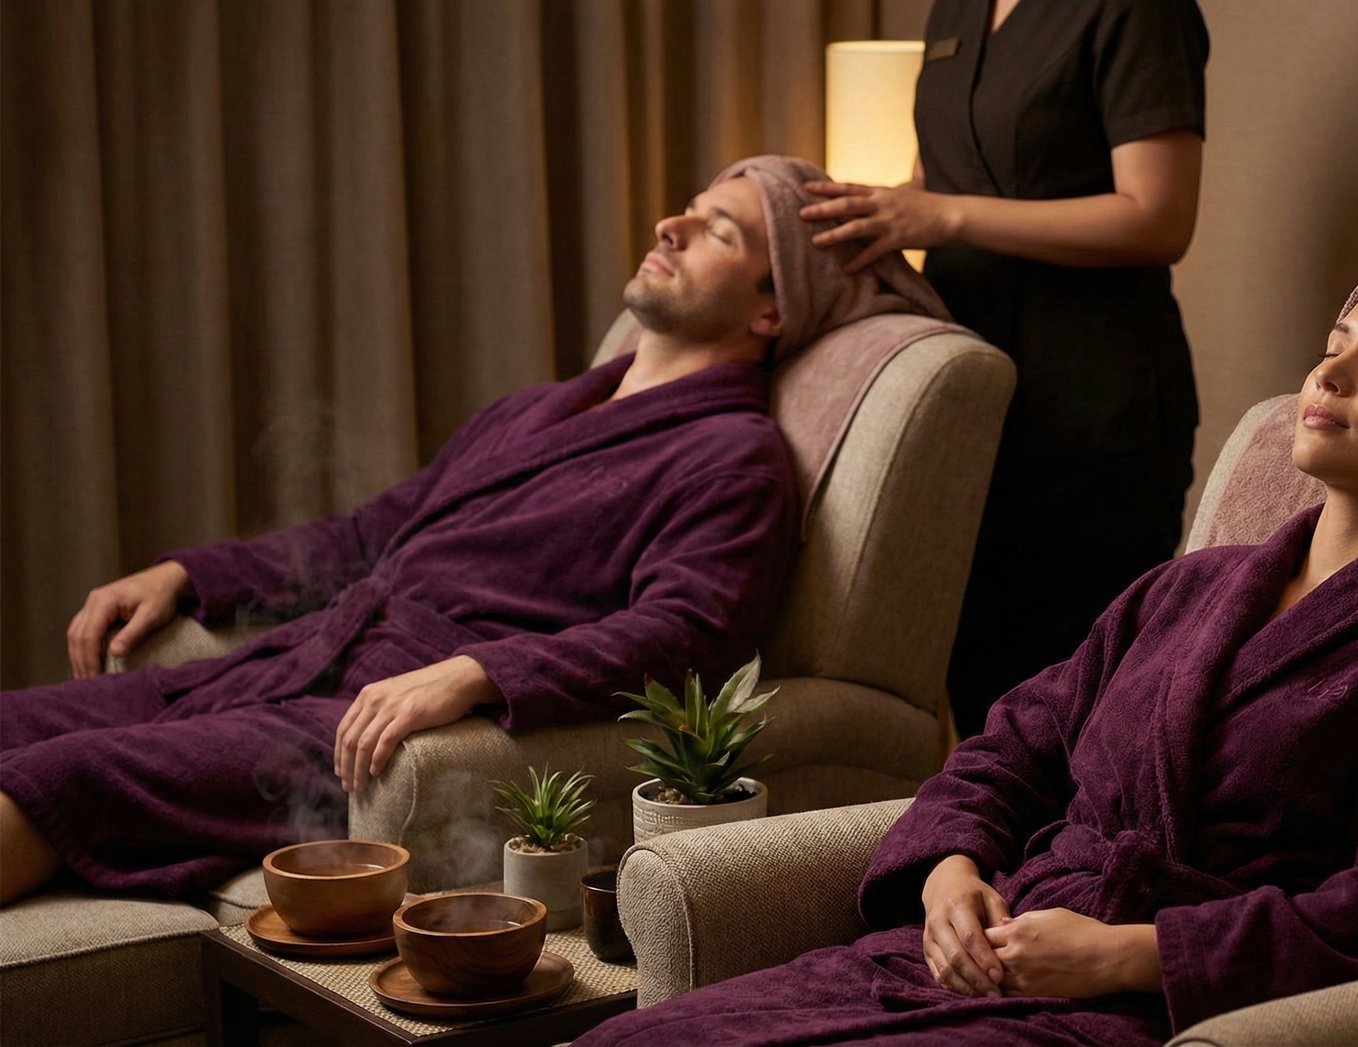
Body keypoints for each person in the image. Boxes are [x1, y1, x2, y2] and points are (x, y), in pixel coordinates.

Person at [572, 251, 1358, 1047]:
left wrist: (1132, 954)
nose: (1331, 375)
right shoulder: (1188, 587)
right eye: (1331, 348)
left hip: (1145, 1005)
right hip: (978, 952)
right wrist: (950, 875)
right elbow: (1013, 741)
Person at [0, 156, 948, 906]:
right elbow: (371, 532)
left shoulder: (733, 459)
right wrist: (186, 573)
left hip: (365, 718)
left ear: (773, 307)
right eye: (690, 210)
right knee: (18, 721)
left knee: (62, 775)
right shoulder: (538, 409)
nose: (672, 224)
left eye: (719, 231)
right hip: (298, 658)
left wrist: (479, 672)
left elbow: (687, 635)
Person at [797, 0, 1209, 737]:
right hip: (967, 405)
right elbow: (932, 177)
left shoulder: (1135, 11)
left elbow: (1158, 216)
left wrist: (945, 217)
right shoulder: (957, 8)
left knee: (1075, 710)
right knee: (983, 702)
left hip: (1093, 410)